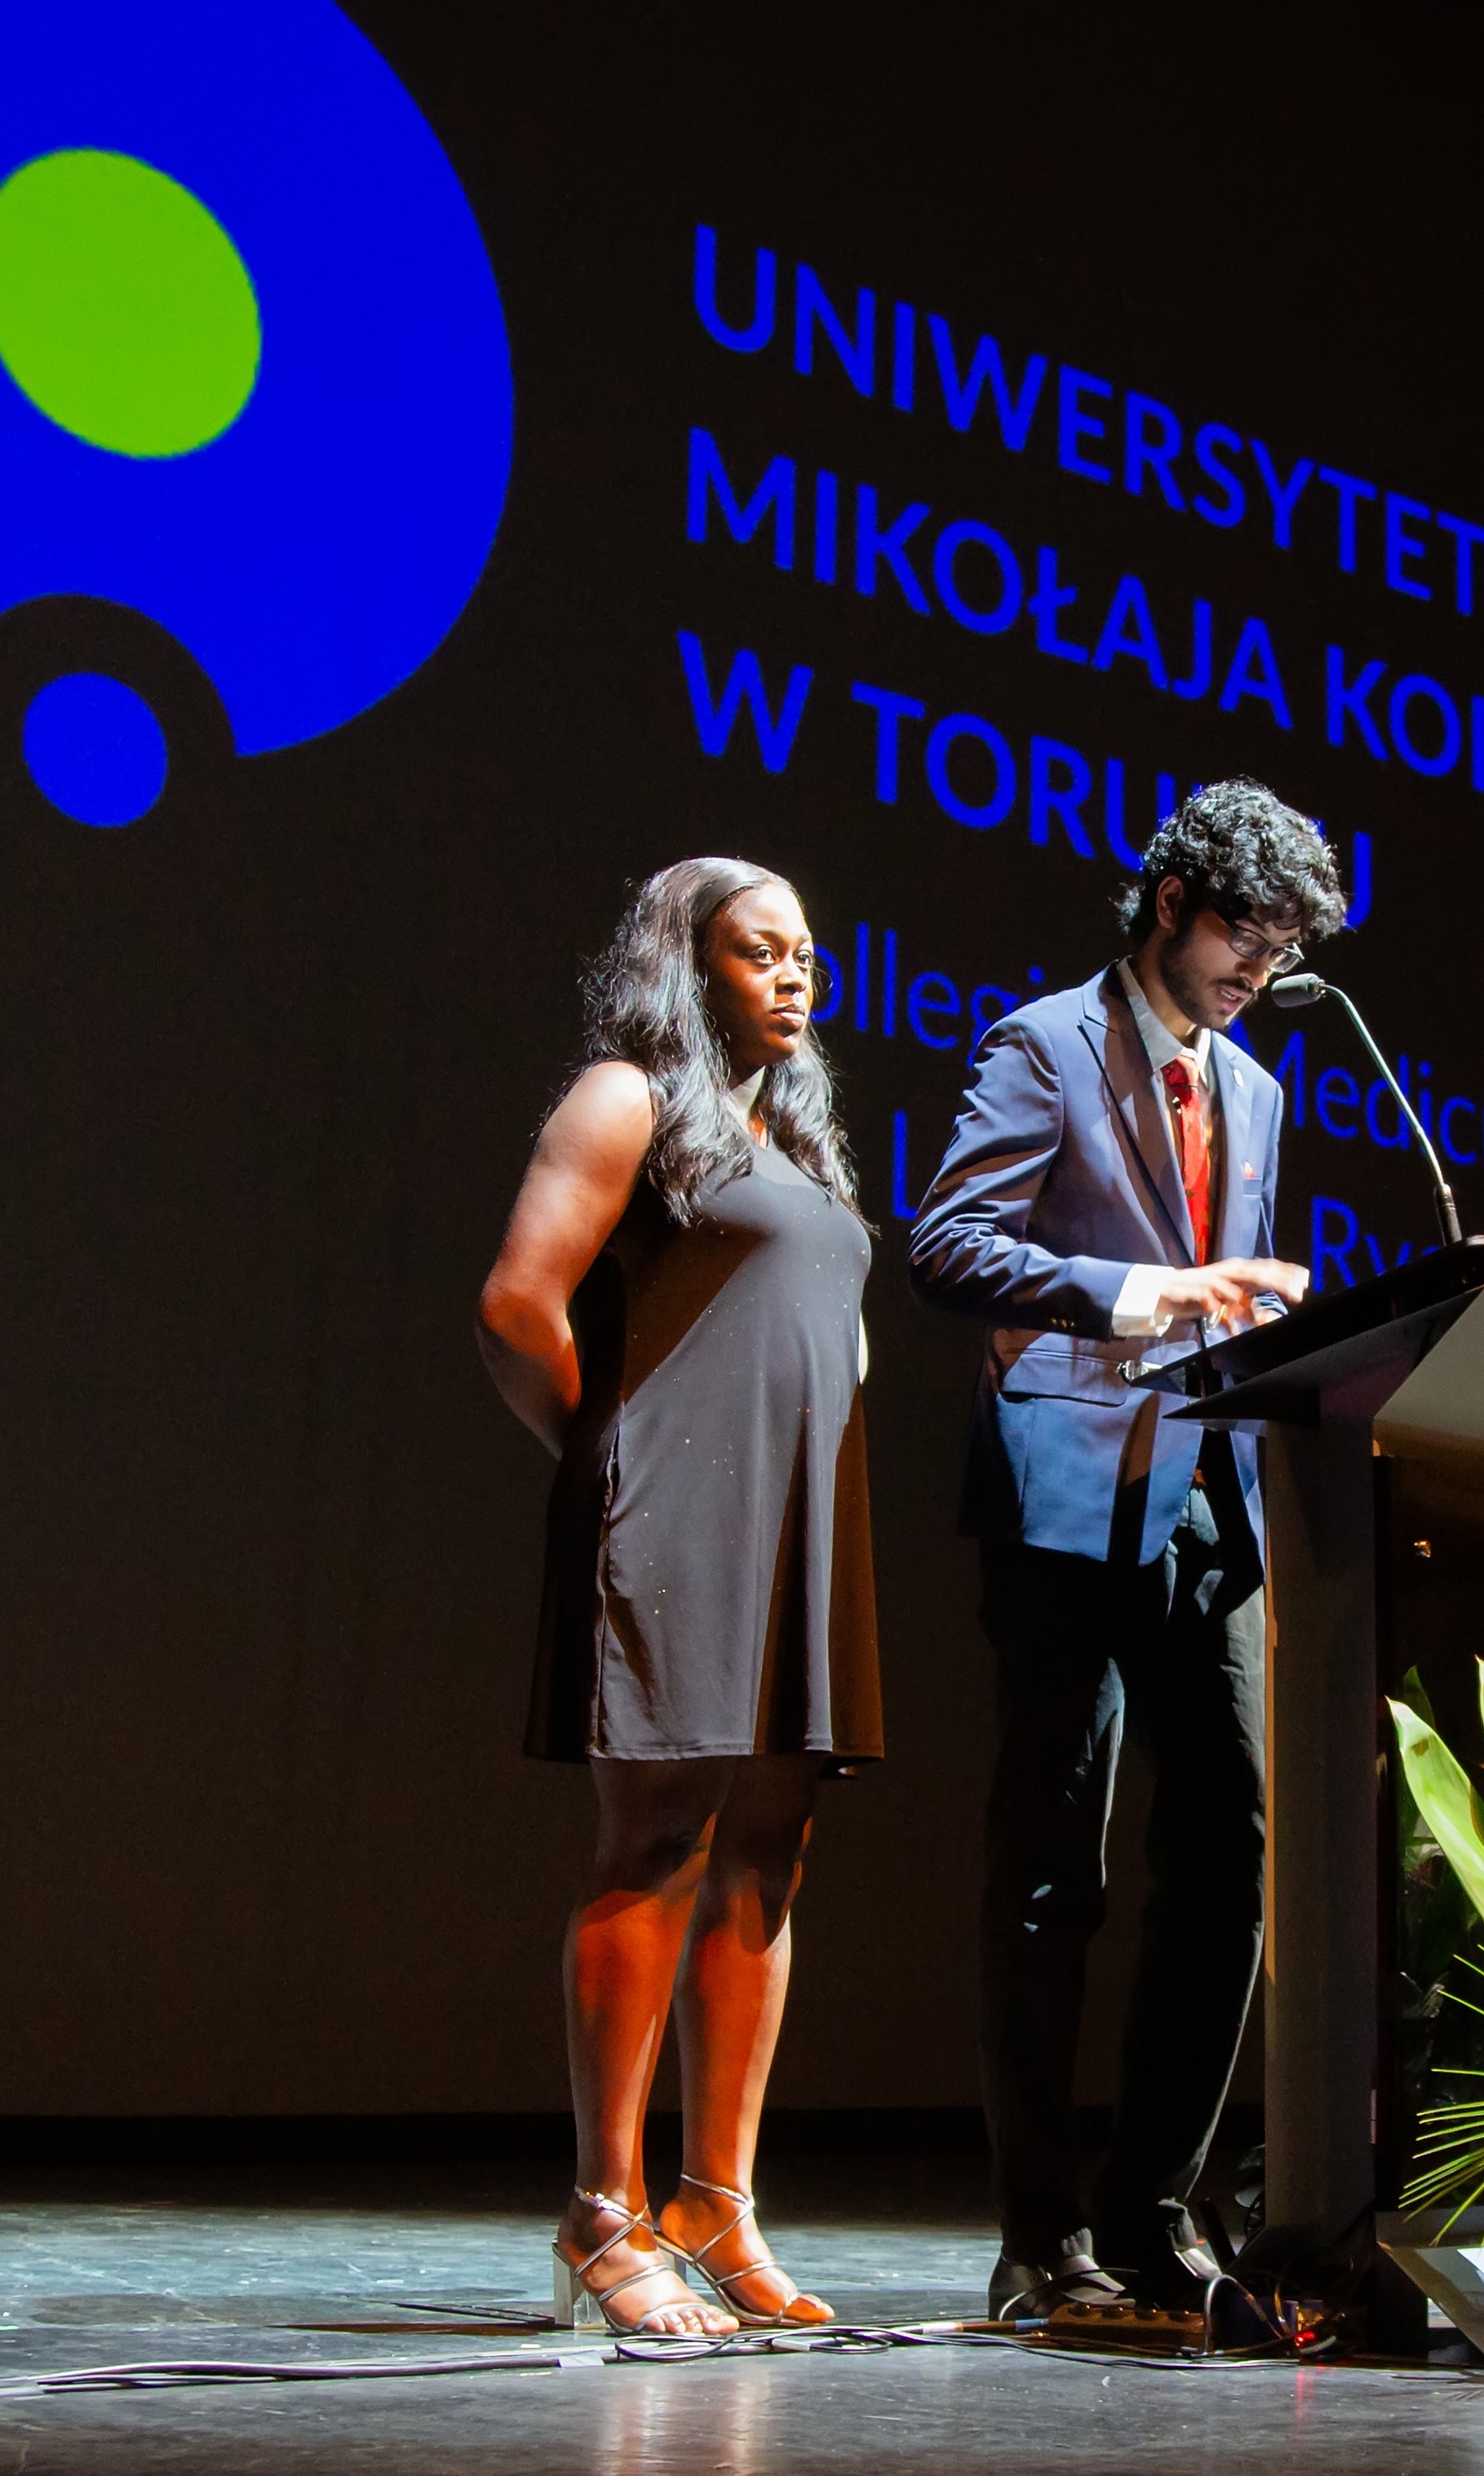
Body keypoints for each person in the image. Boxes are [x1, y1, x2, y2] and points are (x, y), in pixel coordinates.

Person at [906, 779, 1344, 2318]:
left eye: (1282, 953)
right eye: (1244, 937)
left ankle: (1151, 2214)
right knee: (1053, 1871)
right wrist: (1147, 1294)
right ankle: (1040, 2241)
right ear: (1171, 902)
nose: (1257, 974)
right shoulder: (1045, 1046)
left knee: (1229, 1855)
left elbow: (1232, 1291)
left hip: (1212, 1502)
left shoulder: (1258, 1092)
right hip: (1069, 1492)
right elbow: (949, 1244)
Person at [477, 858, 880, 2336]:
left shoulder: (796, 1138)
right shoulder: (626, 1099)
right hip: (671, 1515)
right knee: (656, 1839)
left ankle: (716, 2201)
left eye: (806, 953)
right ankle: (604, 2214)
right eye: (759, 951)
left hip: (794, 1526)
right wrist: (608, 1458)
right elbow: (518, 1305)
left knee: (767, 1853)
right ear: (689, 964)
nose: (794, 975)